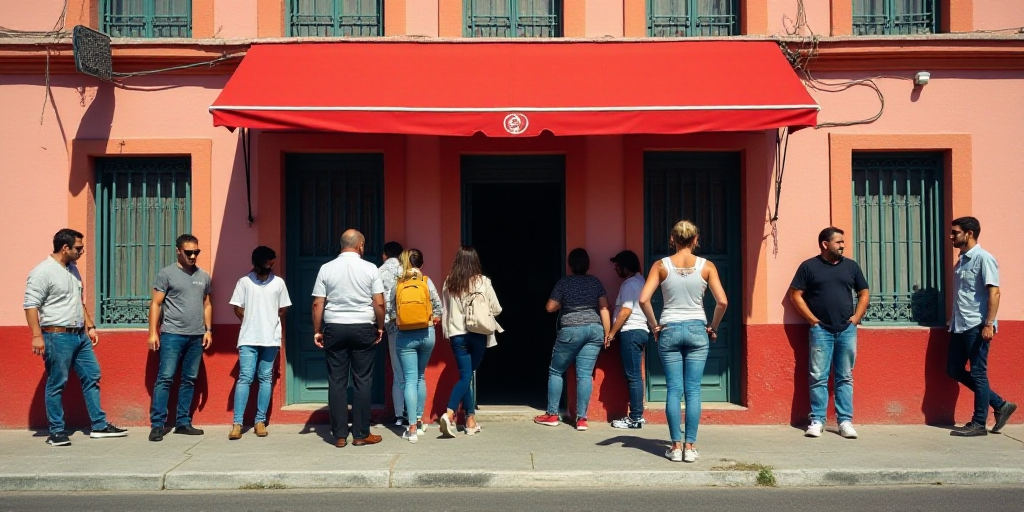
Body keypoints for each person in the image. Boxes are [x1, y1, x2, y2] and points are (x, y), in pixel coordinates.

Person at [24, 228, 128, 446]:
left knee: (92, 374)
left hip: (79, 335)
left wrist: (90, 326)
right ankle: (57, 432)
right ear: (65, 248)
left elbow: (78, 301)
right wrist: (36, 335)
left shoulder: (72, 269)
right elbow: (31, 305)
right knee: (57, 383)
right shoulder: (43, 272)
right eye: (78, 248)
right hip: (56, 335)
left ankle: (99, 426)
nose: (82, 251)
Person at [639, 221, 727, 463]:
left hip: (669, 328)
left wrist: (654, 325)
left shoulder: (661, 266)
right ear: (696, 239)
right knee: (693, 390)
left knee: (673, 389)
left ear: (672, 239)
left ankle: (675, 447)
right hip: (698, 328)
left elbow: (644, 299)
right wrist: (714, 327)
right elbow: (722, 302)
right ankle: (691, 446)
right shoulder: (706, 266)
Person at [788, 226, 869, 440]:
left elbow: (863, 292)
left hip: (846, 330)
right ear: (825, 244)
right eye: (838, 242)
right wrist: (812, 320)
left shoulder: (851, 267)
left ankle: (845, 421)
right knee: (818, 377)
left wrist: (856, 318)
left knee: (845, 376)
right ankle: (817, 420)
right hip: (821, 330)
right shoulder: (809, 267)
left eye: (842, 242)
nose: (843, 245)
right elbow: (795, 294)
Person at [312, 229, 386, 447]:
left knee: (337, 381)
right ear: (360, 245)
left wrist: (318, 329)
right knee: (362, 381)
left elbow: (318, 303)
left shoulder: (326, 269)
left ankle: (340, 435)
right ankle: (361, 434)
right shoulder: (370, 268)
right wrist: (379, 327)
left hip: (334, 327)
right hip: (363, 327)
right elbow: (379, 303)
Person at [946, 217, 1017, 437]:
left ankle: (979, 423)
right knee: (953, 369)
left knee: (978, 373)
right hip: (960, 325)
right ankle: (1000, 404)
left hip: (977, 325)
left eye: (955, 232)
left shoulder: (983, 259)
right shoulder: (962, 261)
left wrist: (988, 324)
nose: (951, 236)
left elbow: (994, 292)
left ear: (968, 233)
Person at [534, 248, 611, 432]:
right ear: (587, 265)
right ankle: (582, 419)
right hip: (595, 330)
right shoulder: (595, 282)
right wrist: (607, 334)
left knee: (556, 371)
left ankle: (552, 414)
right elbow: (604, 308)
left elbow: (550, 307)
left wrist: (563, 302)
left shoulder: (564, 283)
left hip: (571, 330)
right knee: (584, 374)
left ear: (569, 265)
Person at [148, 234, 213, 442]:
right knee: (165, 378)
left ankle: (183, 422)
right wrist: (152, 333)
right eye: (189, 252)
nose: (193, 256)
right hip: (172, 334)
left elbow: (207, 304)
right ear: (178, 251)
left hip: (196, 336)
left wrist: (208, 330)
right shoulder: (166, 274)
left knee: (189, 380)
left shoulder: (204, 276)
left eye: (196, 252)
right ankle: (158, 424)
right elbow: (156, 303)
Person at [228, 246, 292, 440]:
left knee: (265, 379)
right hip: (248, 338)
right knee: (245, 378)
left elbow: (284, 308)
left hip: (270, 339)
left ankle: (260, 421)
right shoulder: (244, 282)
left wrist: (270, 321)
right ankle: (237, 423)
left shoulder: (278, 283)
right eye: (267, 261)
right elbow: (237, 307)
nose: (270, 264)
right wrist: (250, 320)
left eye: (271, 261)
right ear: (257, 262)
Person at [439, 246, 502, 438]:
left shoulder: (449, 282)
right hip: (478, 334)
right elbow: (497, 308)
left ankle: (470, 420)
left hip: (457, 336)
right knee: (467, 376)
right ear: (475, 261)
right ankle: (450, 413)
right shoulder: (483, 282)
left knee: (465, 376)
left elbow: (446, 310)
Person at [387, 249, 442, 443]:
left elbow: (391, 311)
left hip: (405, 337)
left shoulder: (398, 284)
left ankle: (411, 428)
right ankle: (419, 421)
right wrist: (431, 319)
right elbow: (438, 308)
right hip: (427, 334)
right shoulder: (426, 282)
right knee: (420, 376)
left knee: (409, 379)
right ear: (421, 264)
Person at [607, 250, 650, 430]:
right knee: (635, 376)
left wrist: (611, 333)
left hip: (630, 331)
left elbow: (625, 311)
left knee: (633, 377)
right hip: (639, 330)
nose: (616, 269)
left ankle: (635, 417)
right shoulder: (641, 282)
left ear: (626, 267)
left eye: (618, 266)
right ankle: (637, 415)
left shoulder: (629, 284)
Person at [378, 241, 407, 426]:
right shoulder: (407, 272)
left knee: (398, 373)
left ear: (384, 255)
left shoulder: (378, 272)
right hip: (411, 324)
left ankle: (398, 415)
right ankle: (414, 414)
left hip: (390, 325)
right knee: (414, 373)